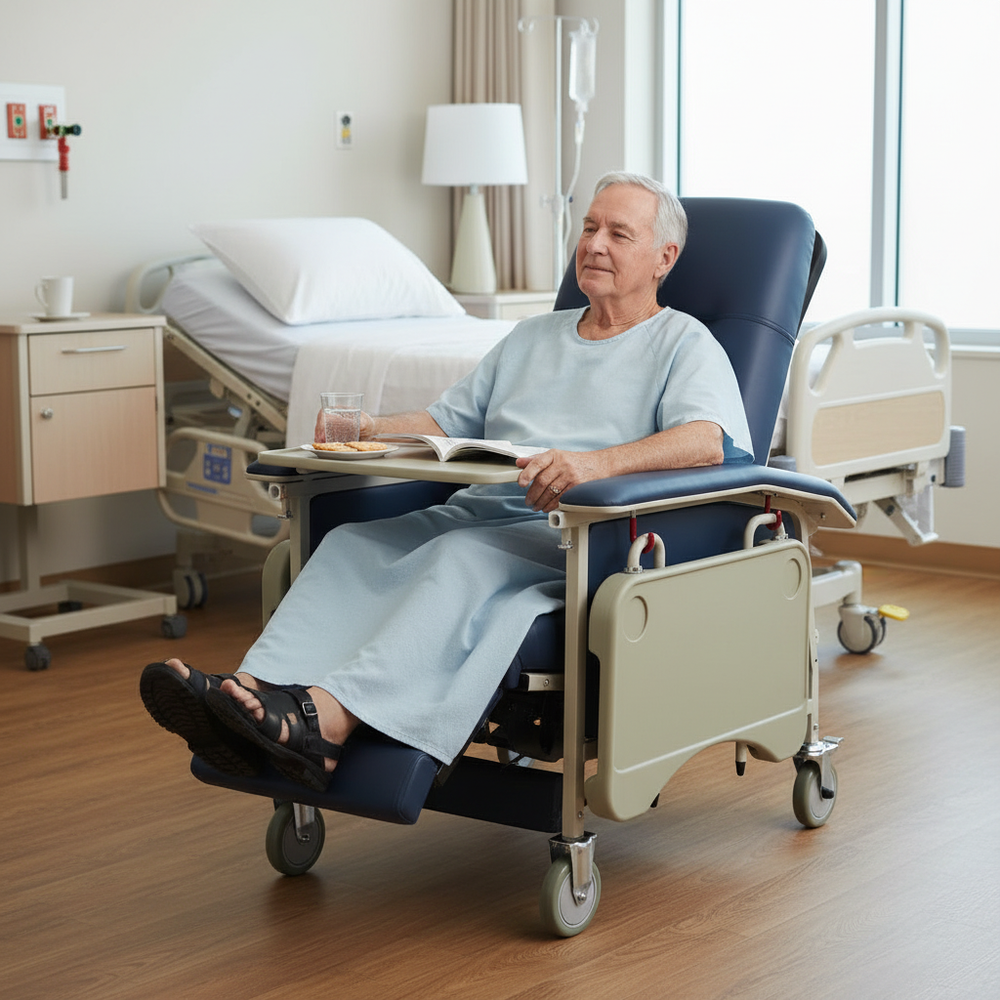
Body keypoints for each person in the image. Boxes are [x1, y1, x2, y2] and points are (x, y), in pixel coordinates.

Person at [140, 172, 754, 792]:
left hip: (580, 535)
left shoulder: (681, 341)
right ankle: (248, 696)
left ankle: (323, 727)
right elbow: (446, 421)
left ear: (663, 258)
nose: (595, 244)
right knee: (357, 543)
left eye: (619, 234)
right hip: (483, 510)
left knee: (458, 557)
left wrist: (593, 465)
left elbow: (705, 441)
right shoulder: (532, 336)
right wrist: (367, 427)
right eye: (590, 227)